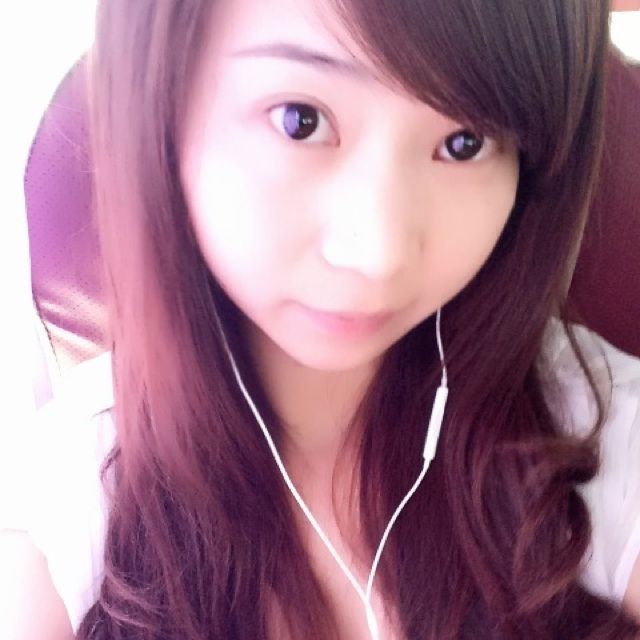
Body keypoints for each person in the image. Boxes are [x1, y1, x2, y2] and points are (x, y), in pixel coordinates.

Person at [1, 0, 639, 638]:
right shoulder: (71, 495)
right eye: (300, 120)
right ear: (161, 112)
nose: (379, 254)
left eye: (464, 143)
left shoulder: (598, 425)